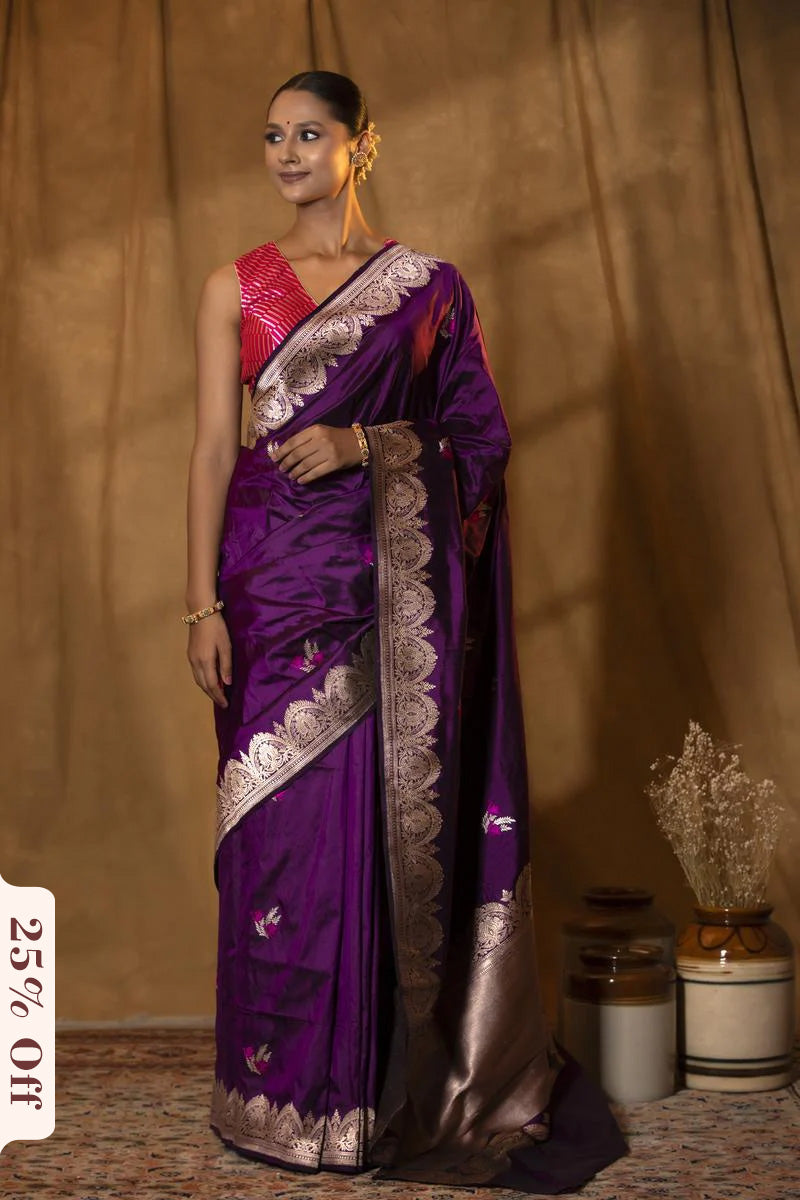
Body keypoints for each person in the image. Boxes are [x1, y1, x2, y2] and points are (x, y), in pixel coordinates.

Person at [185, 69, 627, 1191]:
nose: (285, 154)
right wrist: (199, 603)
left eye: (309, 134)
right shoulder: (235, 286)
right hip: (265, 586)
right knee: (274, 838)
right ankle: (273, 1087)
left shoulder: (425, 288)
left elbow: (476, 439)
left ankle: (366, 1096)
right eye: (271, 135)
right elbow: (208, 451)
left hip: (383, 597)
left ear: (359, 145)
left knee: (365, 833)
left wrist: (369, 446)